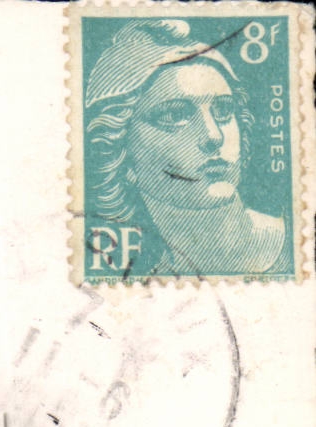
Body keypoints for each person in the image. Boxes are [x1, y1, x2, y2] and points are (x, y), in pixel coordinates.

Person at [84, 18, 286, 276]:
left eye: (223, 110)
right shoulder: (134, 279)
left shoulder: (298, 240)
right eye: (174, 116)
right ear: (119, 150)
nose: (214, 136)